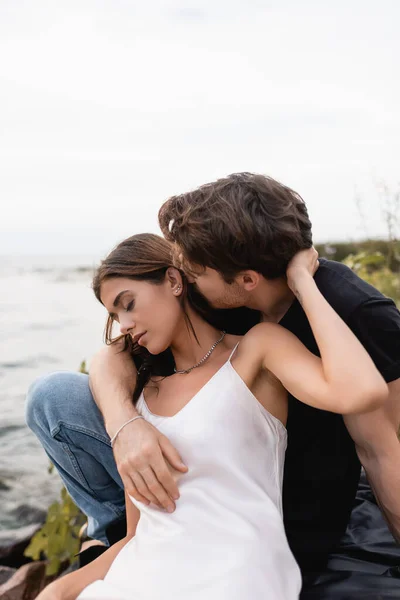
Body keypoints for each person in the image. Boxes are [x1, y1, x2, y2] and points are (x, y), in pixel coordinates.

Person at [26, 173, 400, 598]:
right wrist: (125, 425)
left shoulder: (344, 312)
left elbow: (380, 446)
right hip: (171, 517)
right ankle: (107, 531)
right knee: (54, 396)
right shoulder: (204, 297)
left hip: (269, 517)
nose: (188, 275)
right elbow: (108, 358)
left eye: (193, 271)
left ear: (246, 280)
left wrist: (303, 283)